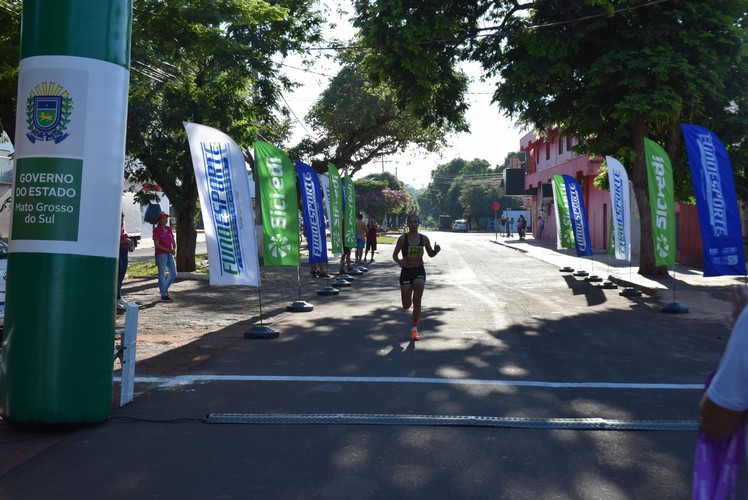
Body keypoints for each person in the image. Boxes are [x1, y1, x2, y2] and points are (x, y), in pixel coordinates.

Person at [392, 214, 441, 341]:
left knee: (417, 298)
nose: (413, 224)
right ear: (407, 224)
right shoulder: (402, 239)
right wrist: (399, 261)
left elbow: (430, 254)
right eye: (411, 222)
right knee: (406, 305)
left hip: (419, 269)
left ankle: (414, 329)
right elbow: (395, 255)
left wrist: (435, 251)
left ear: (419, 223)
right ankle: (410, 308)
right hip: (406, 272)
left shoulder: (424, 239)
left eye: (415, 222)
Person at [153, 211, 176, 301]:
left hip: (169, 253)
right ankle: (163, 294)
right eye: (163, 218)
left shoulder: (169, 228)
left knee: (173, 273)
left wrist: (174, 248)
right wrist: (168, 250)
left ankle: (164, 290)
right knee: (161, 273)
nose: (165, 219)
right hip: (161, 253)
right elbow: (157, 245)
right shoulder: (156, 230)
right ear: (159, 220)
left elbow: (173, 240)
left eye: (166, 218)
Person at [117, 213, 134, 310]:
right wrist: (125, 241)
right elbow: (114, 242)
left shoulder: (123, 227)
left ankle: (119, 296)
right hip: (119, 252)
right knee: (118, 276)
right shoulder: (115, 227)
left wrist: (130, 243)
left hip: (124, 252)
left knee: (122, 275)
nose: (122, 219)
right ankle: (117, 297)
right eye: (121, 217)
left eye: (122, 217)